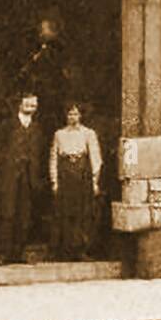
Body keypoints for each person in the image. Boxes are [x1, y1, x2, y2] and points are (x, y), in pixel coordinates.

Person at [0, 92, 47, 263]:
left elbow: (39, 154)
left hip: (28, 177)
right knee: (8, 213)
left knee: (24, 215)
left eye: (34, 104)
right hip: (9, 177)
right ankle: (3, 254)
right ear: (19, 104)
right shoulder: (7, 125)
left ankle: (18, 253)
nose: (31, 107)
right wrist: (3, 169)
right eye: (27, 103)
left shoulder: (36, 128)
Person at [49, 103, 103, 260]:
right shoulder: (59, 134)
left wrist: (94, 181)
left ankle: (81, 250)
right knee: (65, 213)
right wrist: (54, 181)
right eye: (70, 114)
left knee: (83, 213)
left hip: (82, 174)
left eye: (75, 114)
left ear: (81, 116)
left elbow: (96, 158)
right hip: (65, 175)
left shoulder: (88, 133)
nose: (72, 117)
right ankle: (65, 250)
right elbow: (53, 158)